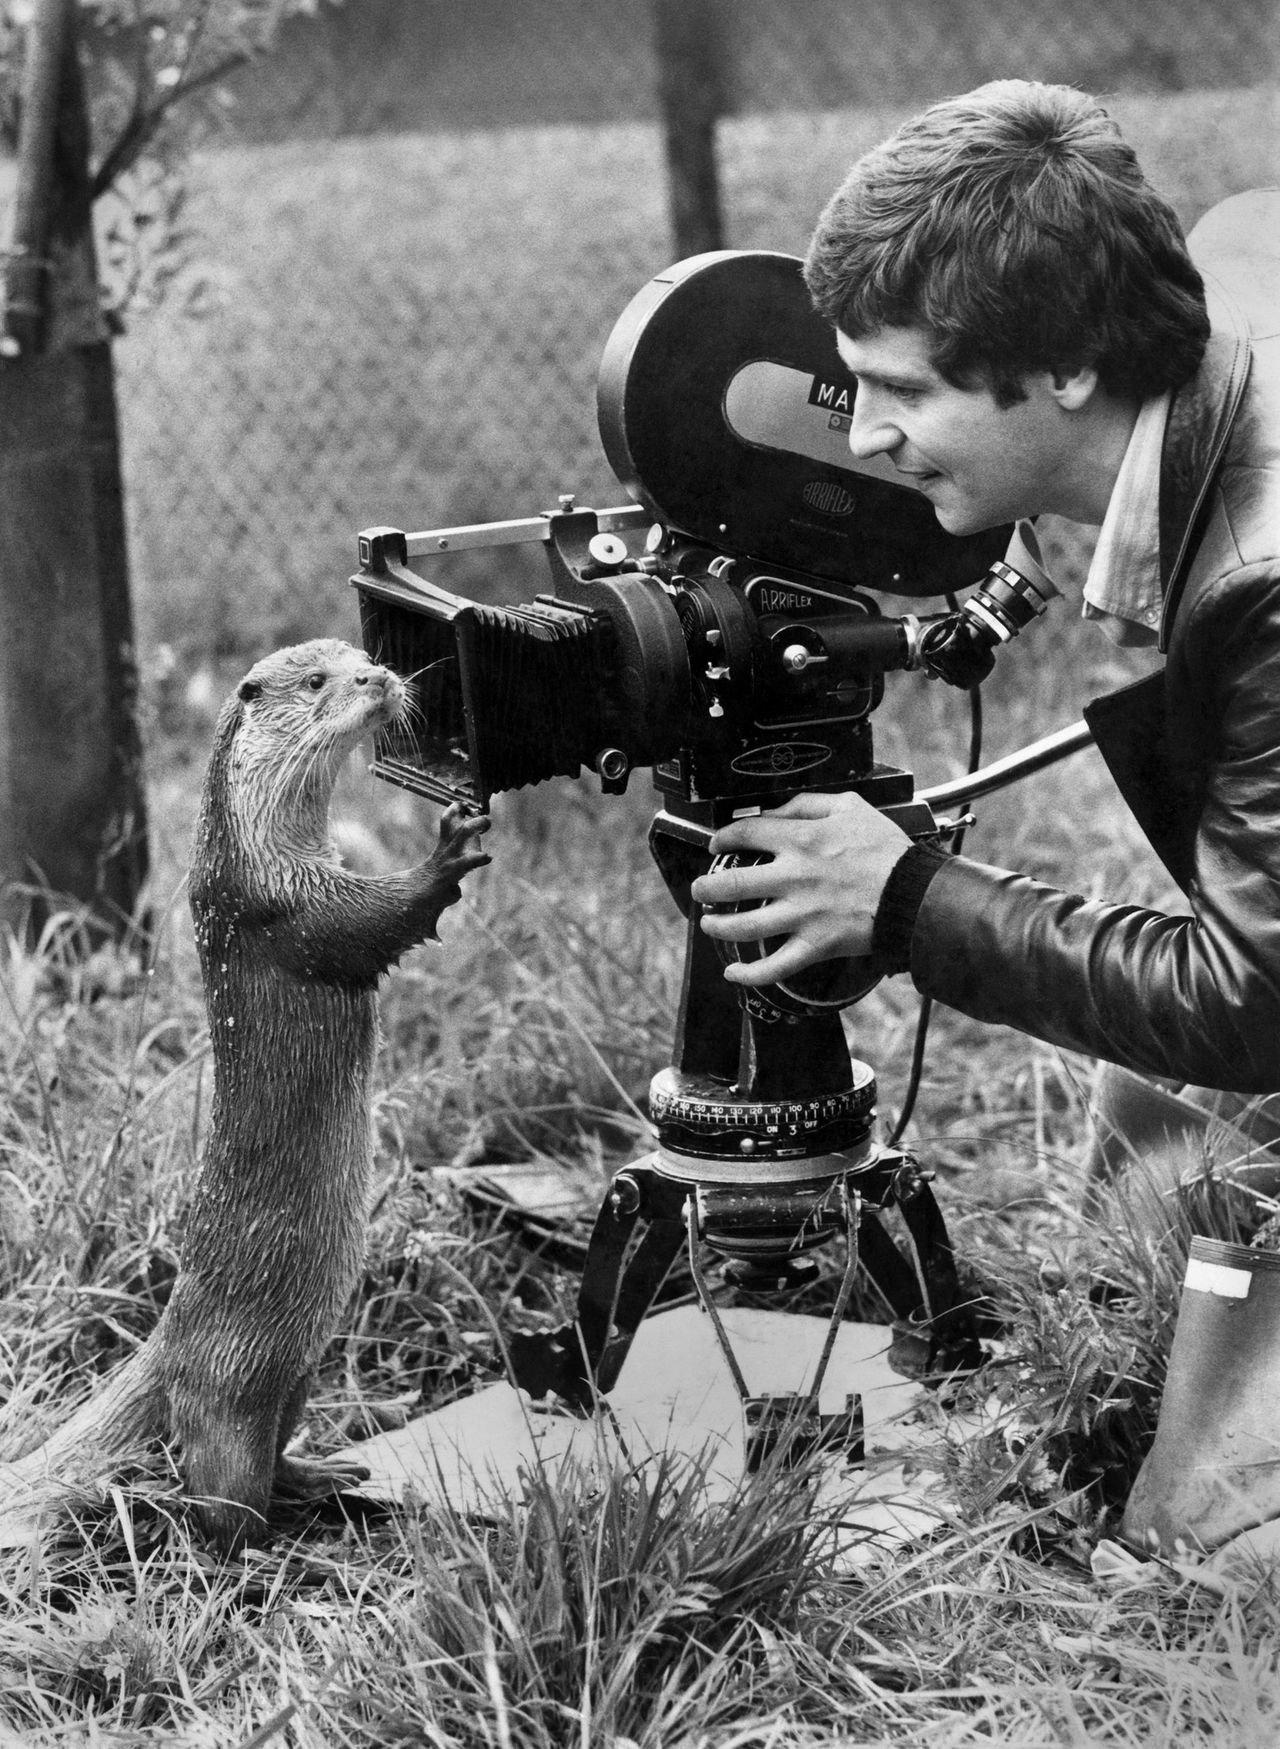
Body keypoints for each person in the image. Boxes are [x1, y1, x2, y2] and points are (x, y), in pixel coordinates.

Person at [690, 80, 1280, 1185]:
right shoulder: (1229, 290)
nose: (861, 435)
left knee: (1184, 1187)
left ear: (1066, 367)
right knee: (1148, 1111)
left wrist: (906, 898)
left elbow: (1252, 1007)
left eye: (900, 391)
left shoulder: (1266, 585)